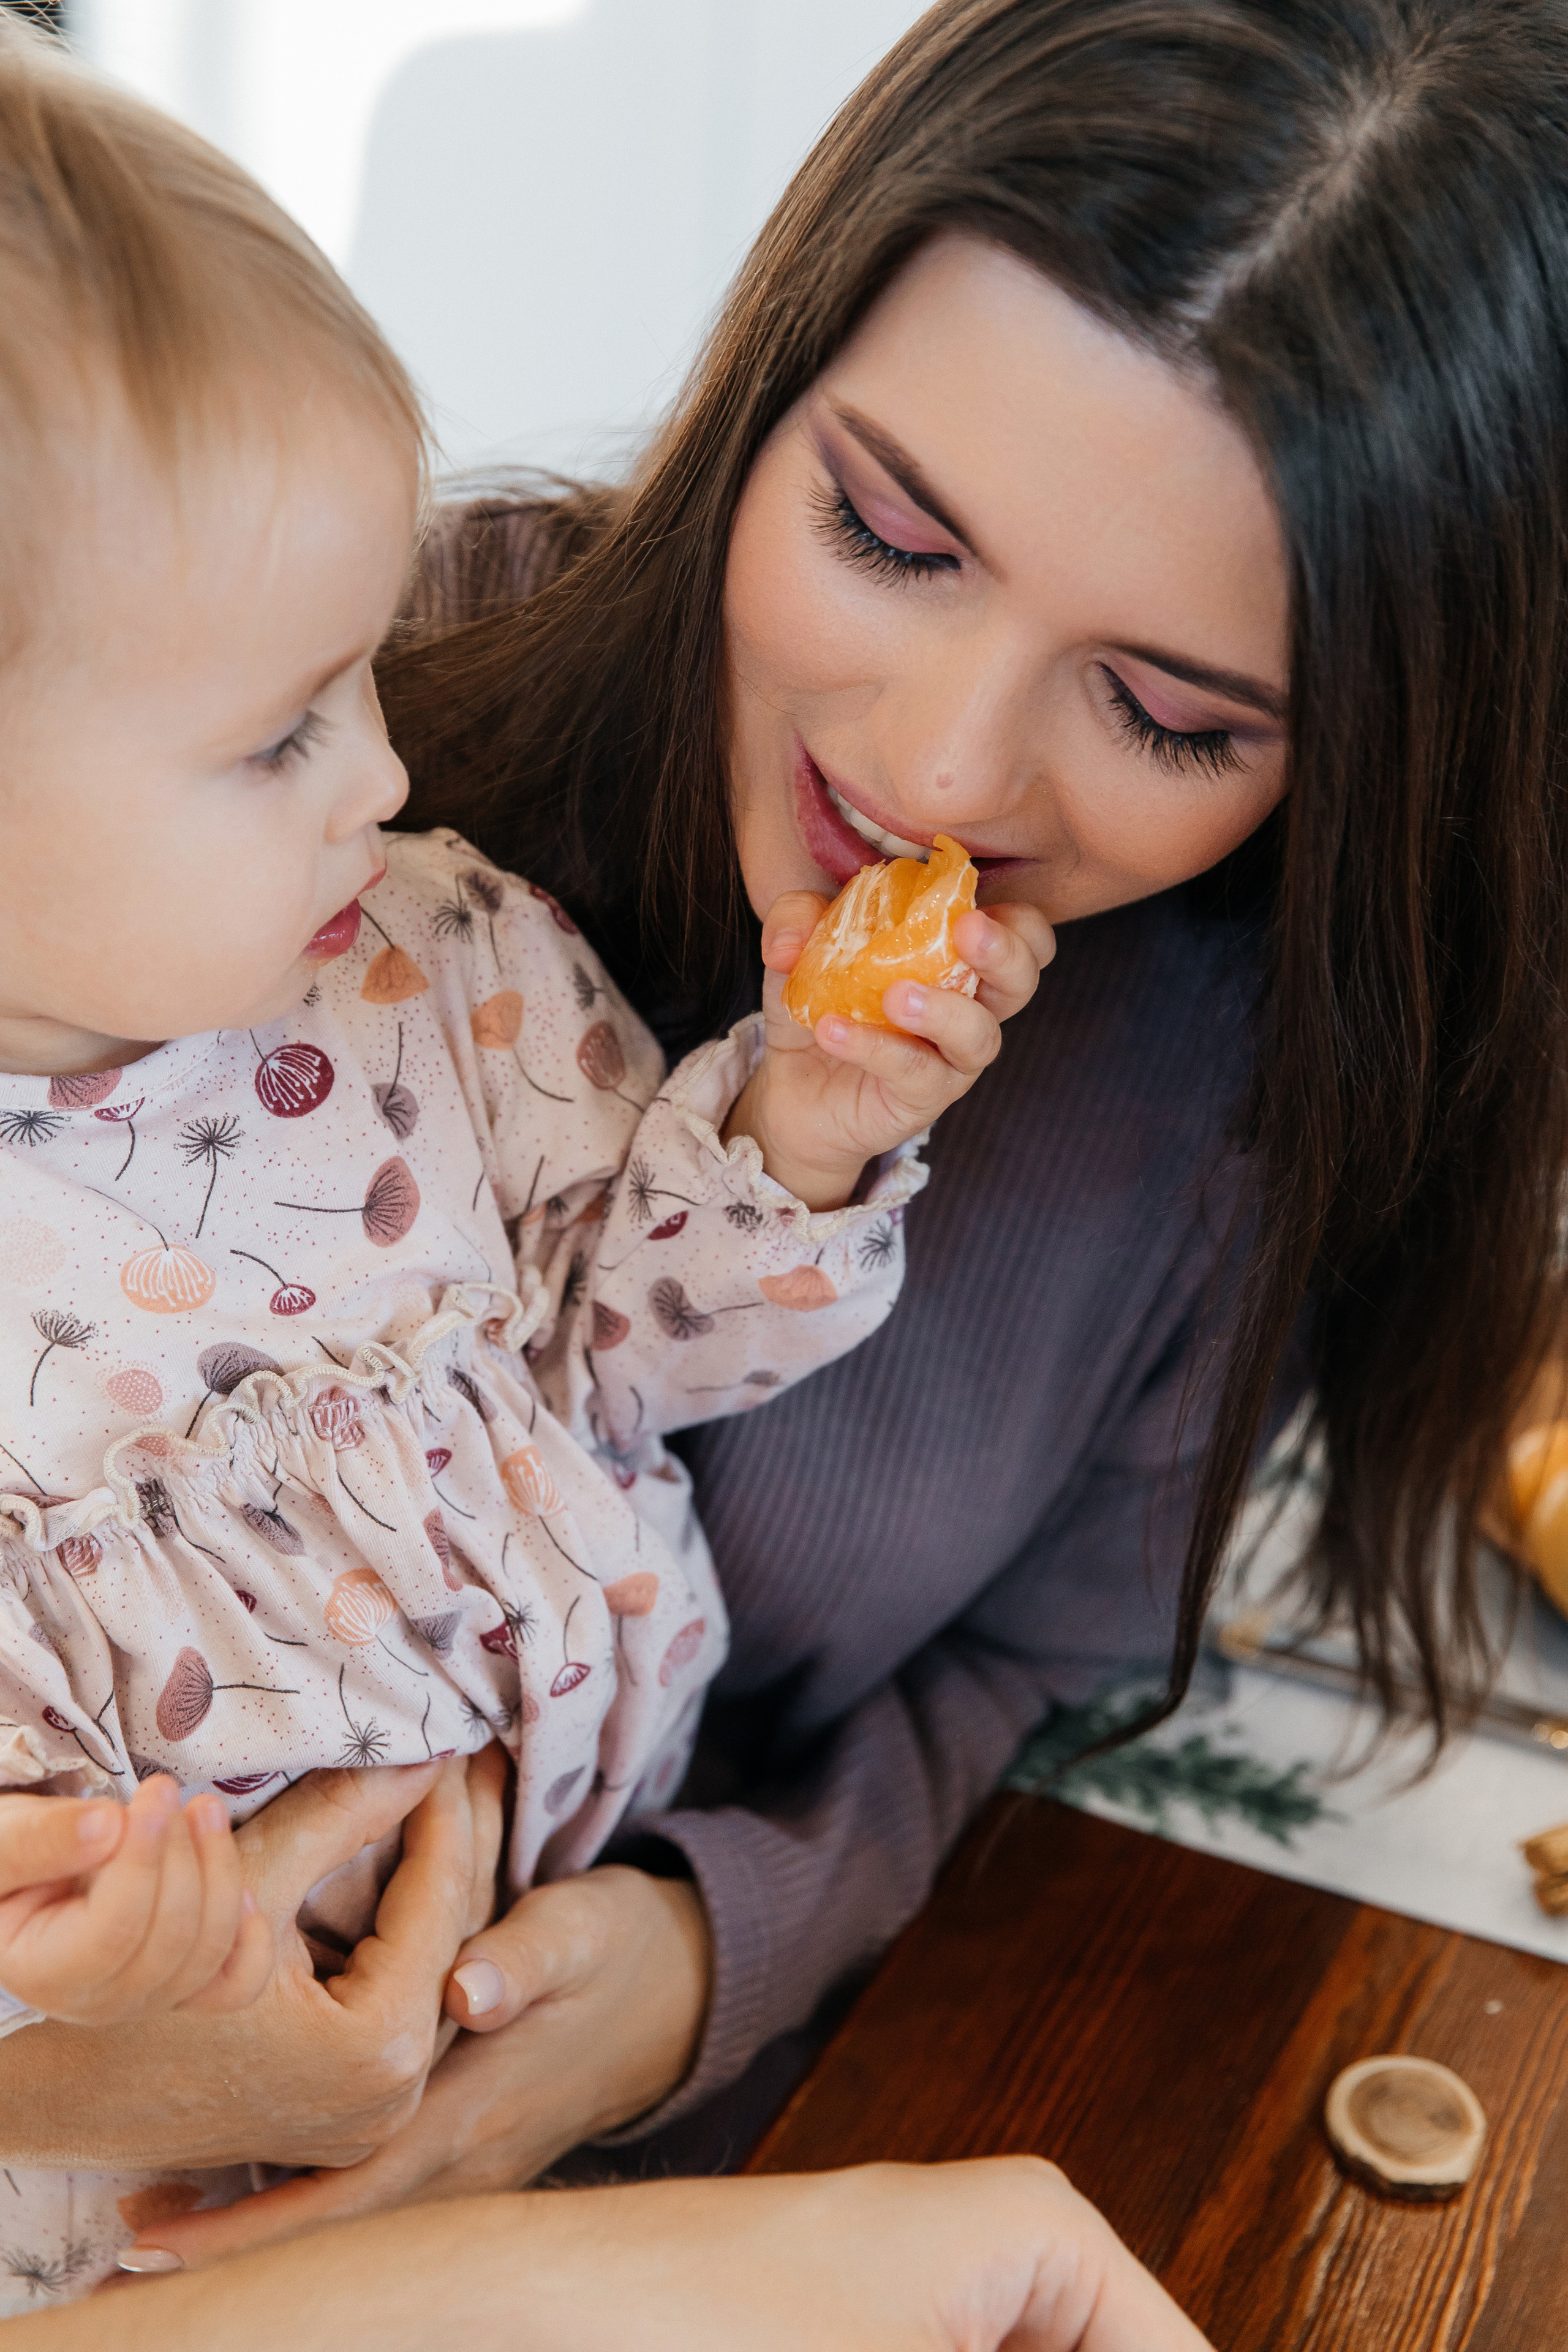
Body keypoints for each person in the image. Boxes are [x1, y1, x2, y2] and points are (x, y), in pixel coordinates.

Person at [125, 0, 1568, 2261]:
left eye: (1168, 713)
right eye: (890, 537)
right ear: (772, 378)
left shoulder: (1242, 1084)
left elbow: (1027, 1674)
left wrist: (702, 1957)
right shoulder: (307, 729)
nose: (945, 771)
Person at [0, 10, 1039, 2310]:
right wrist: (107, 1962)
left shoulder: (426, 951)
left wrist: (793, 1125)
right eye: (279, 732)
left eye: (364, 677)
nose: (385, 771)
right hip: (151, 2232)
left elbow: (624, 1331)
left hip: (567, 2033)